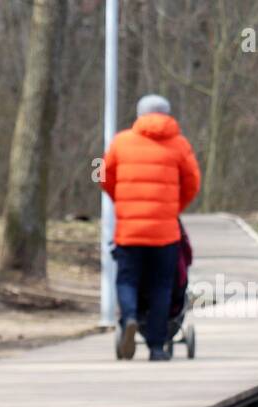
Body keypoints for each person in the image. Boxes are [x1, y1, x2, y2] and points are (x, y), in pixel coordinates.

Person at [101, 93, 201, 361]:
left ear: (139, 114)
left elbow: (103, 175)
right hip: (165, 232)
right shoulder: (179, 144)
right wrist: (172, 207)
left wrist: (122, 200)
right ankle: (157, 347)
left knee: (127, 279)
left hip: (129, 230)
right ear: (168, 115)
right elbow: (193, 182)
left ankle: (130, 317)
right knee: (161, 286)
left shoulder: (121, 142)